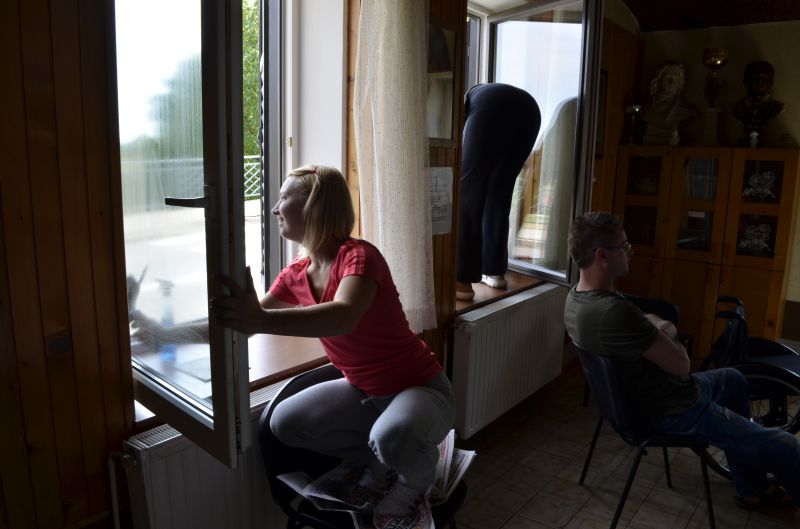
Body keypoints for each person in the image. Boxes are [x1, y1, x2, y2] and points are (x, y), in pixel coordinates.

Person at [210, 165, 455, 528]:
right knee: (284, 424)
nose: (275, 208)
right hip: (365, 392)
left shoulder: (359, 256)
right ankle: (386, 458)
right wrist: (161, 334)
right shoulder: (296, 274)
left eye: (284, 198)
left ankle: (415, 479)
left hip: (421, 390)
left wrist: (259, 320)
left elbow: (344, 316)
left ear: (315, 206)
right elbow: (247, 320)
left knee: (391, 436)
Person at [564, 211, 800, 511]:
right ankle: (757, 480)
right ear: (602, 255)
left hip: (643, 402)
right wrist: (667, 329)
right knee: (787, 446)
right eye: (624, 245)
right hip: (672, 410)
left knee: (733, 379)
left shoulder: (577, 298)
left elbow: (640, 320)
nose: (630, 251)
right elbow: (681, 365)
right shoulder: (614, 312)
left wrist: (655, 327)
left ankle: (751, 487)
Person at [456, 83, 541, 300]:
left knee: (468, 191)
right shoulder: (479, 93)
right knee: (499, 192)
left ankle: (462, 281)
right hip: (531, 110)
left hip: (492, 105)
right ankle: (495, 272)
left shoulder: (469, 100)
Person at [732, 60, 784, 147]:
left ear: (771, 83)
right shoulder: (737, 107)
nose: (759, 83)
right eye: (755, 78)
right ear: (745, 81)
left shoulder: (776, 107)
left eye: (764, 79)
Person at [640, 62, 694, 146]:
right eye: (667, 78)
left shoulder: (687, 110)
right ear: (658, 80)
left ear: (680, 83)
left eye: (676, 79)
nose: (671, 82)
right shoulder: (645, 108)